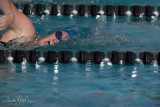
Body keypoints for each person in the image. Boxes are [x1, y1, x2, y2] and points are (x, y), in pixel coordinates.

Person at [0, 0, 77, 47]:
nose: (55, 41)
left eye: (60, 42)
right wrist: (9, 14)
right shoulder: (26, 32)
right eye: (59, 35)